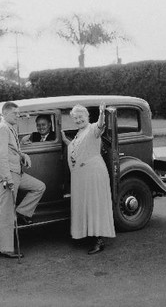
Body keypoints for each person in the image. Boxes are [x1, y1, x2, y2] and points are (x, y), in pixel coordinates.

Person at [0, 101, 46, 259]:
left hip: (17, 172)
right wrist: (8, 179)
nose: (18, 116)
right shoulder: (2, 128)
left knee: (39, 187)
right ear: (6, 113)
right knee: (6, 213)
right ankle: (5, 249)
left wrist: (23, 155)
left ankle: (22, 212)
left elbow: (11, 149)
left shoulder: (9, 127)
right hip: (8, 175)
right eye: (15, 113)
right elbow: (0, 155)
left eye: (18, 113)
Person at [61, 102, 115, 254]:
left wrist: (102, 112)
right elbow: (77, 148)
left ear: (87, 116)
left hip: (94, 173)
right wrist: (65, 140)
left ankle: (99, 241)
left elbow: (100, 126)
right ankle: (89, 235)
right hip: (83, 175)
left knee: (95, 204)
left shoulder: (92, 128)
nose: (78, 120)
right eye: (75, 118)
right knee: (86, 205)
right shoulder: (80, 132)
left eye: (81, 117)